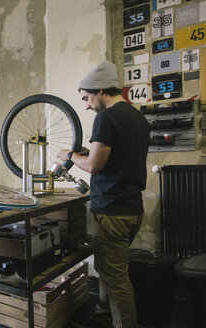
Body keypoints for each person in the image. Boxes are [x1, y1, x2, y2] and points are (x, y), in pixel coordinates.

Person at [58, 60, 150, 328]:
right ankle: (102, 315)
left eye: (87, 98)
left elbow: (94, 166)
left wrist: (70, 155)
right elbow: (117, 157)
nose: (86, 105)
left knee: (116, 278)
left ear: (99, 90)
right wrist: (87, 154)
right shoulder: (137, 117)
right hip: (132, 209)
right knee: (109, 272)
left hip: (112, 211)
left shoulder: (106, 118)